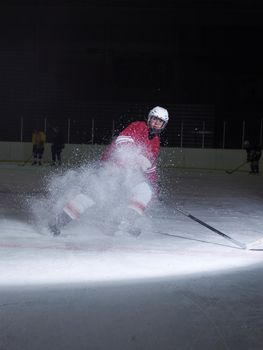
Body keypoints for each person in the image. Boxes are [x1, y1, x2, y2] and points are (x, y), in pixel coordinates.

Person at [48, 106, 169, 236]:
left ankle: (126, 224)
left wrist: (155, 187)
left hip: (127, 175)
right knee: (91, 196)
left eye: (160, 121)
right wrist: (137, 156)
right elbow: (121, 141)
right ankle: (57, 222)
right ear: (149, 118)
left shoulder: (156, 142)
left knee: (145, 191)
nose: (156, 123)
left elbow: (150, 168)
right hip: (110, 168)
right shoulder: (138, 126)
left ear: (163, 125)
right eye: (154, 119)